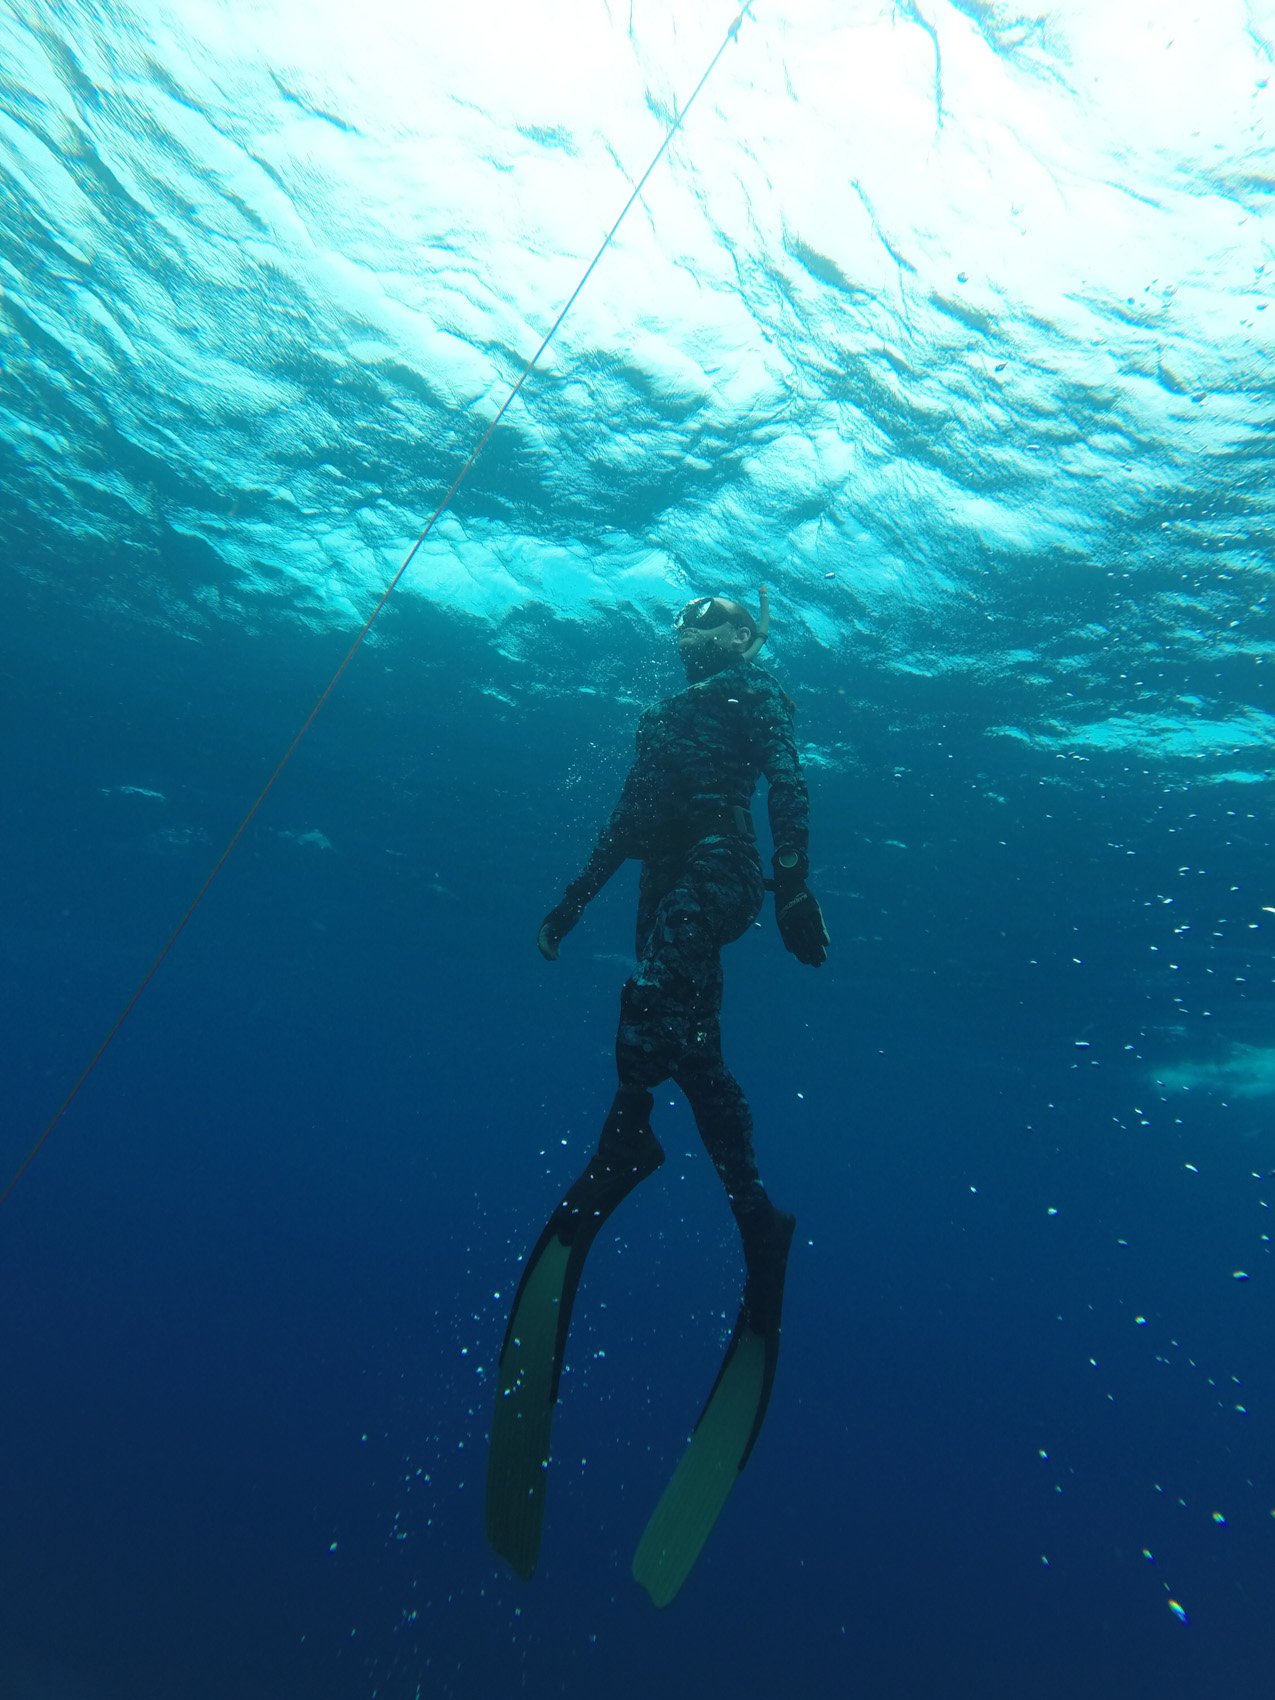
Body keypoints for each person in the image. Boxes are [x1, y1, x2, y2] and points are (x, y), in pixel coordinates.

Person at [485, 588, 829, 1606]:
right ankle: (754, 1211)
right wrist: (576, 895)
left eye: (722, 621)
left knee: (651, 996)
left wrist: (796, 885)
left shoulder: (756, 691)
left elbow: (790, 783)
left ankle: (625, 1138)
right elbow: (630, 815)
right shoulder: (660, 718)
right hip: (661, 879)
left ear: (748, 634)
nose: (703, 635)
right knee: (690, 1048)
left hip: (720, 869)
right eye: (692, 623)